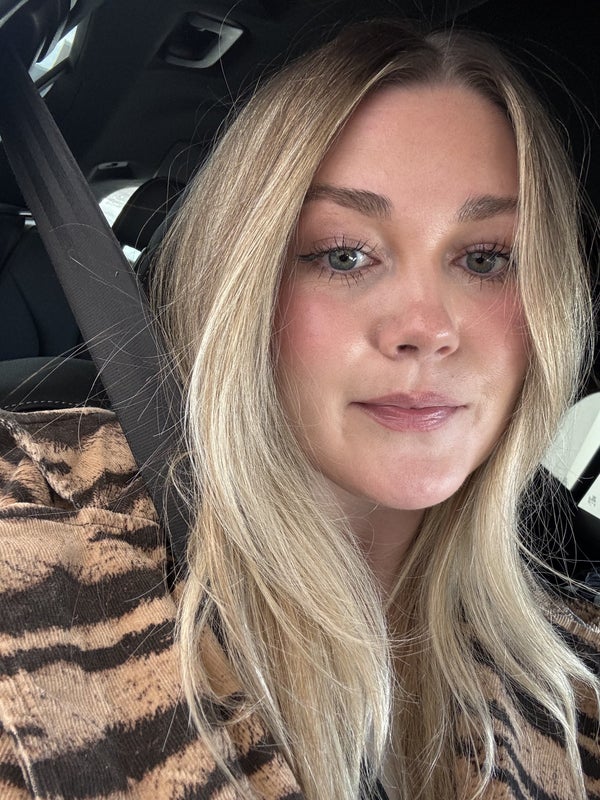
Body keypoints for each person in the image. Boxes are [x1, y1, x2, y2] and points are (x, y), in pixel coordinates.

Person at [0, 18, 598, 800]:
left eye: (486, 258)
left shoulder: (576, 674)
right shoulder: (36, 542)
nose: (427, 328)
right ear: (244, 281)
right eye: (344, 254)